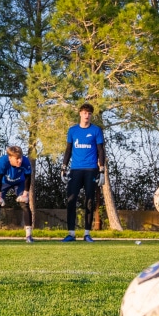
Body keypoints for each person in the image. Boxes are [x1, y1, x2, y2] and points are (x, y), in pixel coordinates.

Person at [61, 102, 106, 242]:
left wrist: (102, 170)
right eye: (85, 113)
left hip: (91, 170)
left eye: (89, 113)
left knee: (89, 201)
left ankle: (87, 233)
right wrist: (63, 168)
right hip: (75, 170)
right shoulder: (72, 130)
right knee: (71, 200)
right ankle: (71, 234)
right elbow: (68, 150)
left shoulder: (96, 130)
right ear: (80, 113)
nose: (87, 115)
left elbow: (100, 151)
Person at [0, 146, 34, 243]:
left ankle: (29, 236)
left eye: (20, 157)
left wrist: (25, 194)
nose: (20, 160)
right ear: (10, 158)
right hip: (4, 182)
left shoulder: (25, 162)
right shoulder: (3, 162)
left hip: (20, 182)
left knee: (25, 205)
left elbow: (28, 178)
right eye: (17, 158)